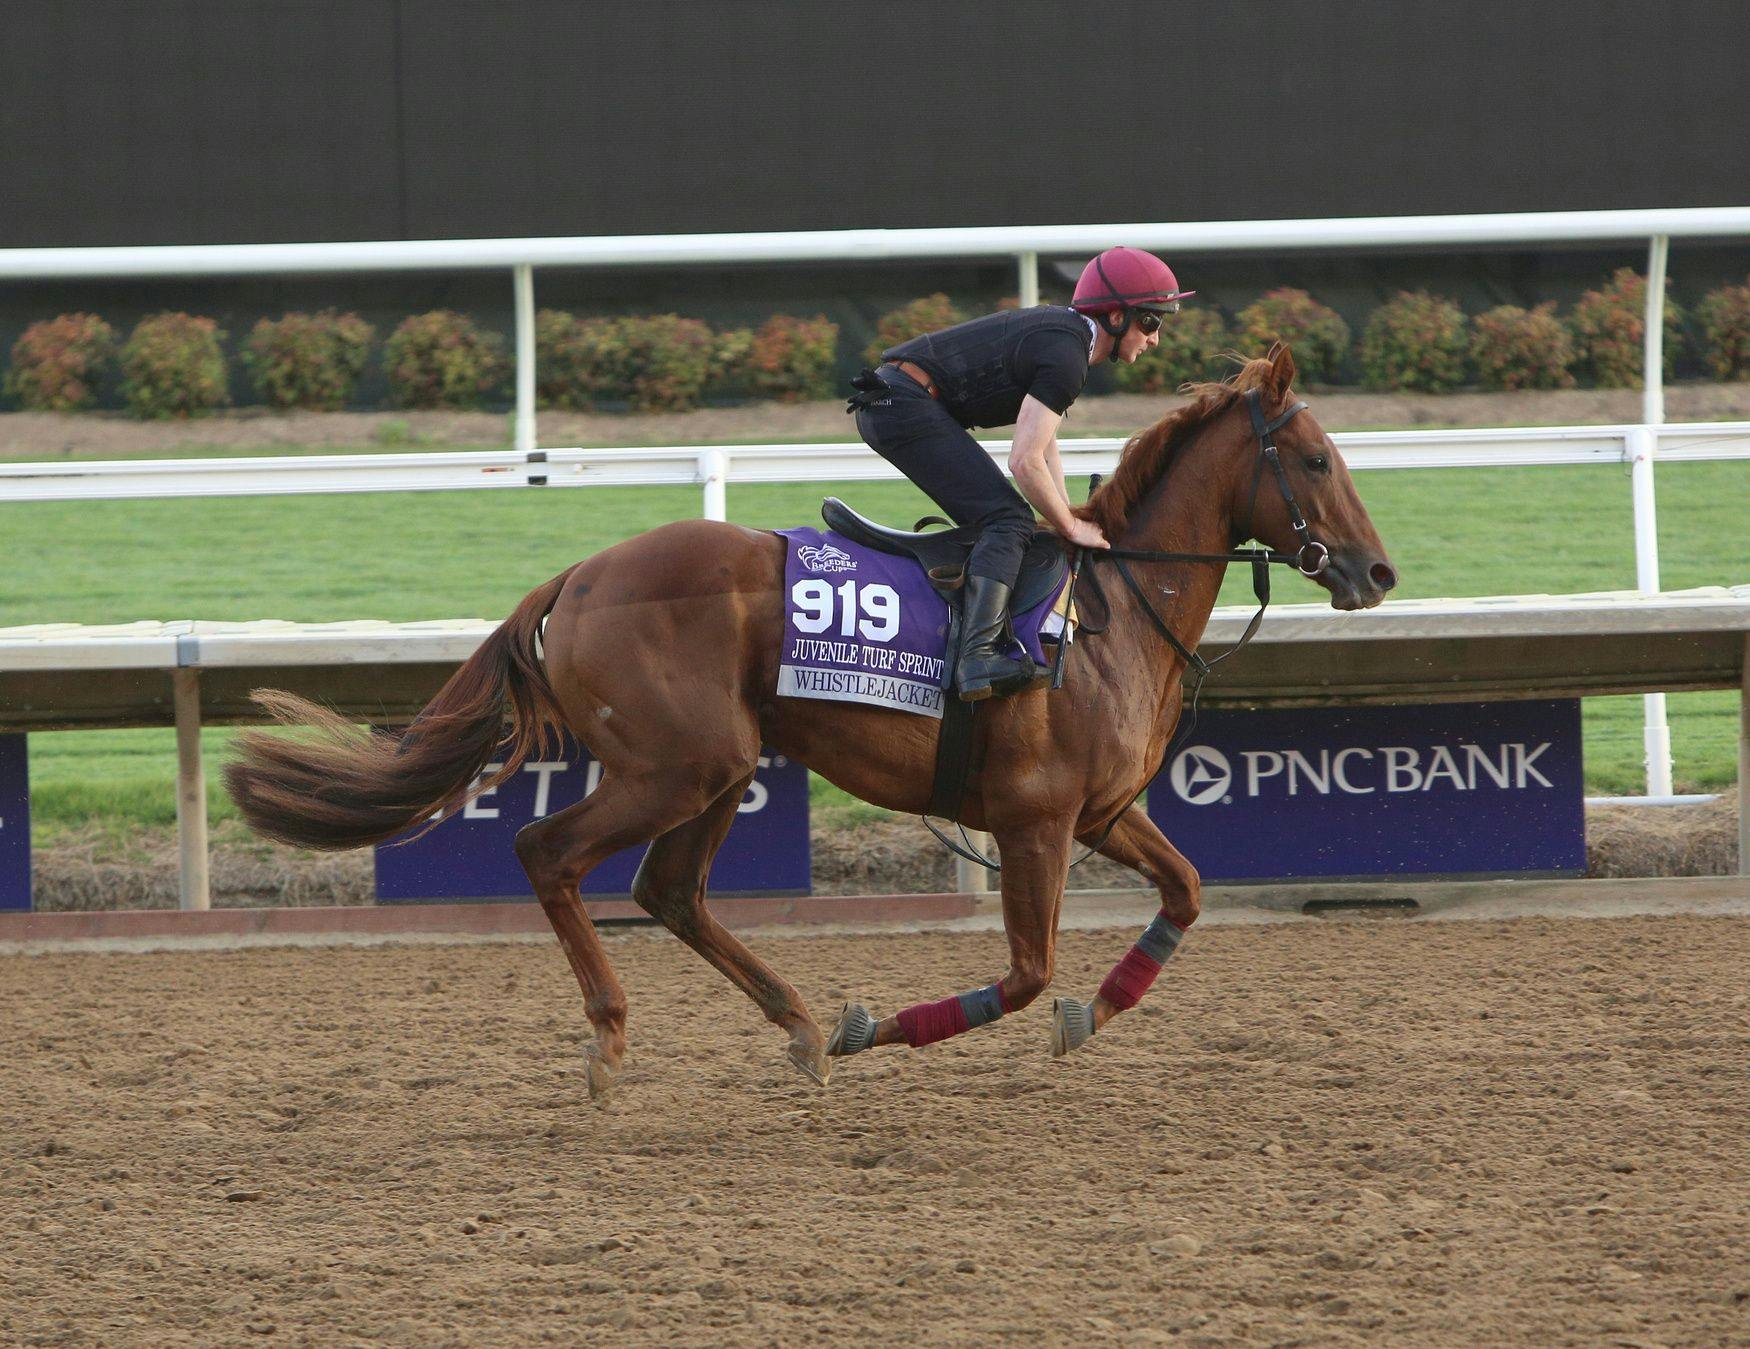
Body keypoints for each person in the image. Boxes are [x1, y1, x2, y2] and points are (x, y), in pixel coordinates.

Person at [846, 246, 1193, 700]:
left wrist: (1065, 512)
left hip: (899, 399)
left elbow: (1044, 443)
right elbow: (1023, 462)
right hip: (901, 405)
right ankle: (977, 657)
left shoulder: (1067, 340)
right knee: (1008, 519)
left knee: (1015, 517)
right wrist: (1070, 527)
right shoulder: (1067, 356)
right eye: (1150, 321)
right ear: (1113, 317)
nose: (1155, 338)